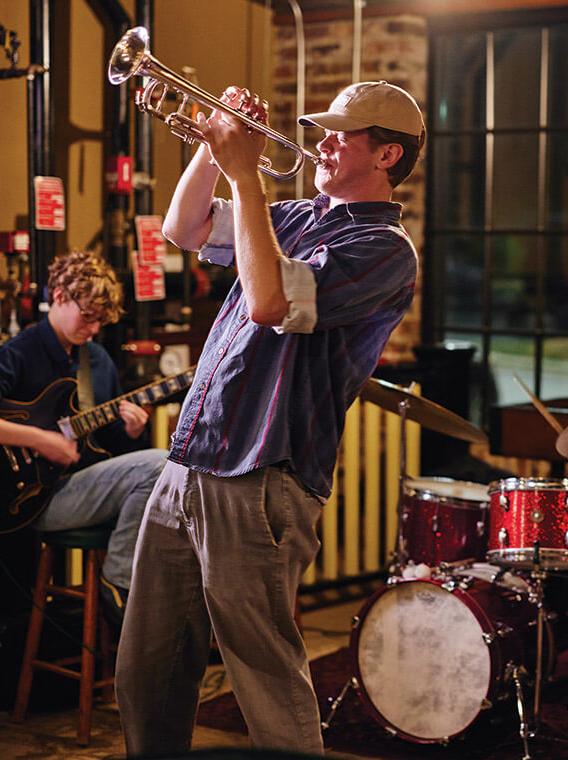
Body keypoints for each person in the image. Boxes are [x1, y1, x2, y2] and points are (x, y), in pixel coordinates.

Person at [115, 80, 424, 756]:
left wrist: (245, 175)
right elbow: (183, 228)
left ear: (388, 156)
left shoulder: (386, 249)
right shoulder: (294, 213)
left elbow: (270, 301)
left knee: (264, 676)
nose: (322, 139)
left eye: (344, 132)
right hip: (193, 457)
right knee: (146, 671)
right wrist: (212, 144)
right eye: (324, 126)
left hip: (262, 472)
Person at [0, 250, 167, 626]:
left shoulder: (97, 360)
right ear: (61, 296)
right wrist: (39, 440)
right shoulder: (19, 351)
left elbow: (114, 450)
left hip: (83, 487)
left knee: (165, 468)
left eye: (101, 320)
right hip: (30, 498)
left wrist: (131, 432)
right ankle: (118, 582)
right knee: (160, 464)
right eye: (88, 316)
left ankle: (139, 589)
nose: (95, 328)